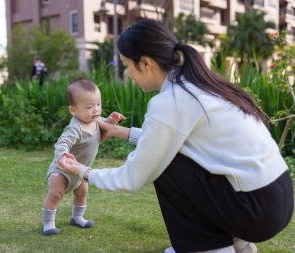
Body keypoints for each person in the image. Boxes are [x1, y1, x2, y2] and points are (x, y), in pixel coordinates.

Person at [57, 20, 294, 253]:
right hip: (276, 198)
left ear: (146, 62)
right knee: (175, 157)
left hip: (255, 210)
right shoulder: (198, 85)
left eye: (127, 66)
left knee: (167, 165)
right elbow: (179, 139)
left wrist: (82, 170)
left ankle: (209, 248)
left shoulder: (171, 101)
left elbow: (134, 176)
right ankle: (239, 245)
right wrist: (121, 131)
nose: (128, 74)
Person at [42, 78, 125, 236]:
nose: (95, 110)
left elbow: (106, 126)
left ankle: (78, 217)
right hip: (63, 169)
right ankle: (48, 223)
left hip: (80, 170)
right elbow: (62, 143)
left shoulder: (96, 120)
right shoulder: (75, 128)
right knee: (55, 194)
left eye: (98, 105)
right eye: (89, 107)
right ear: (73, 110)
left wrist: (111, 120)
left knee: (82, 193)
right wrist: (62, 157)